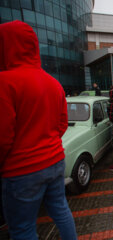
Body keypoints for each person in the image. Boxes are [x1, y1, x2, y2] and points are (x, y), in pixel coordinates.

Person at [0, 21, 77, 239]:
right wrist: (47, 141)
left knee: (22, 228)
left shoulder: (5, 83)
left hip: (21, 169)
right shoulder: (53, 83)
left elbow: (3, 137)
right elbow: (62, 124)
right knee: (61, 210)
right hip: (54, 160)